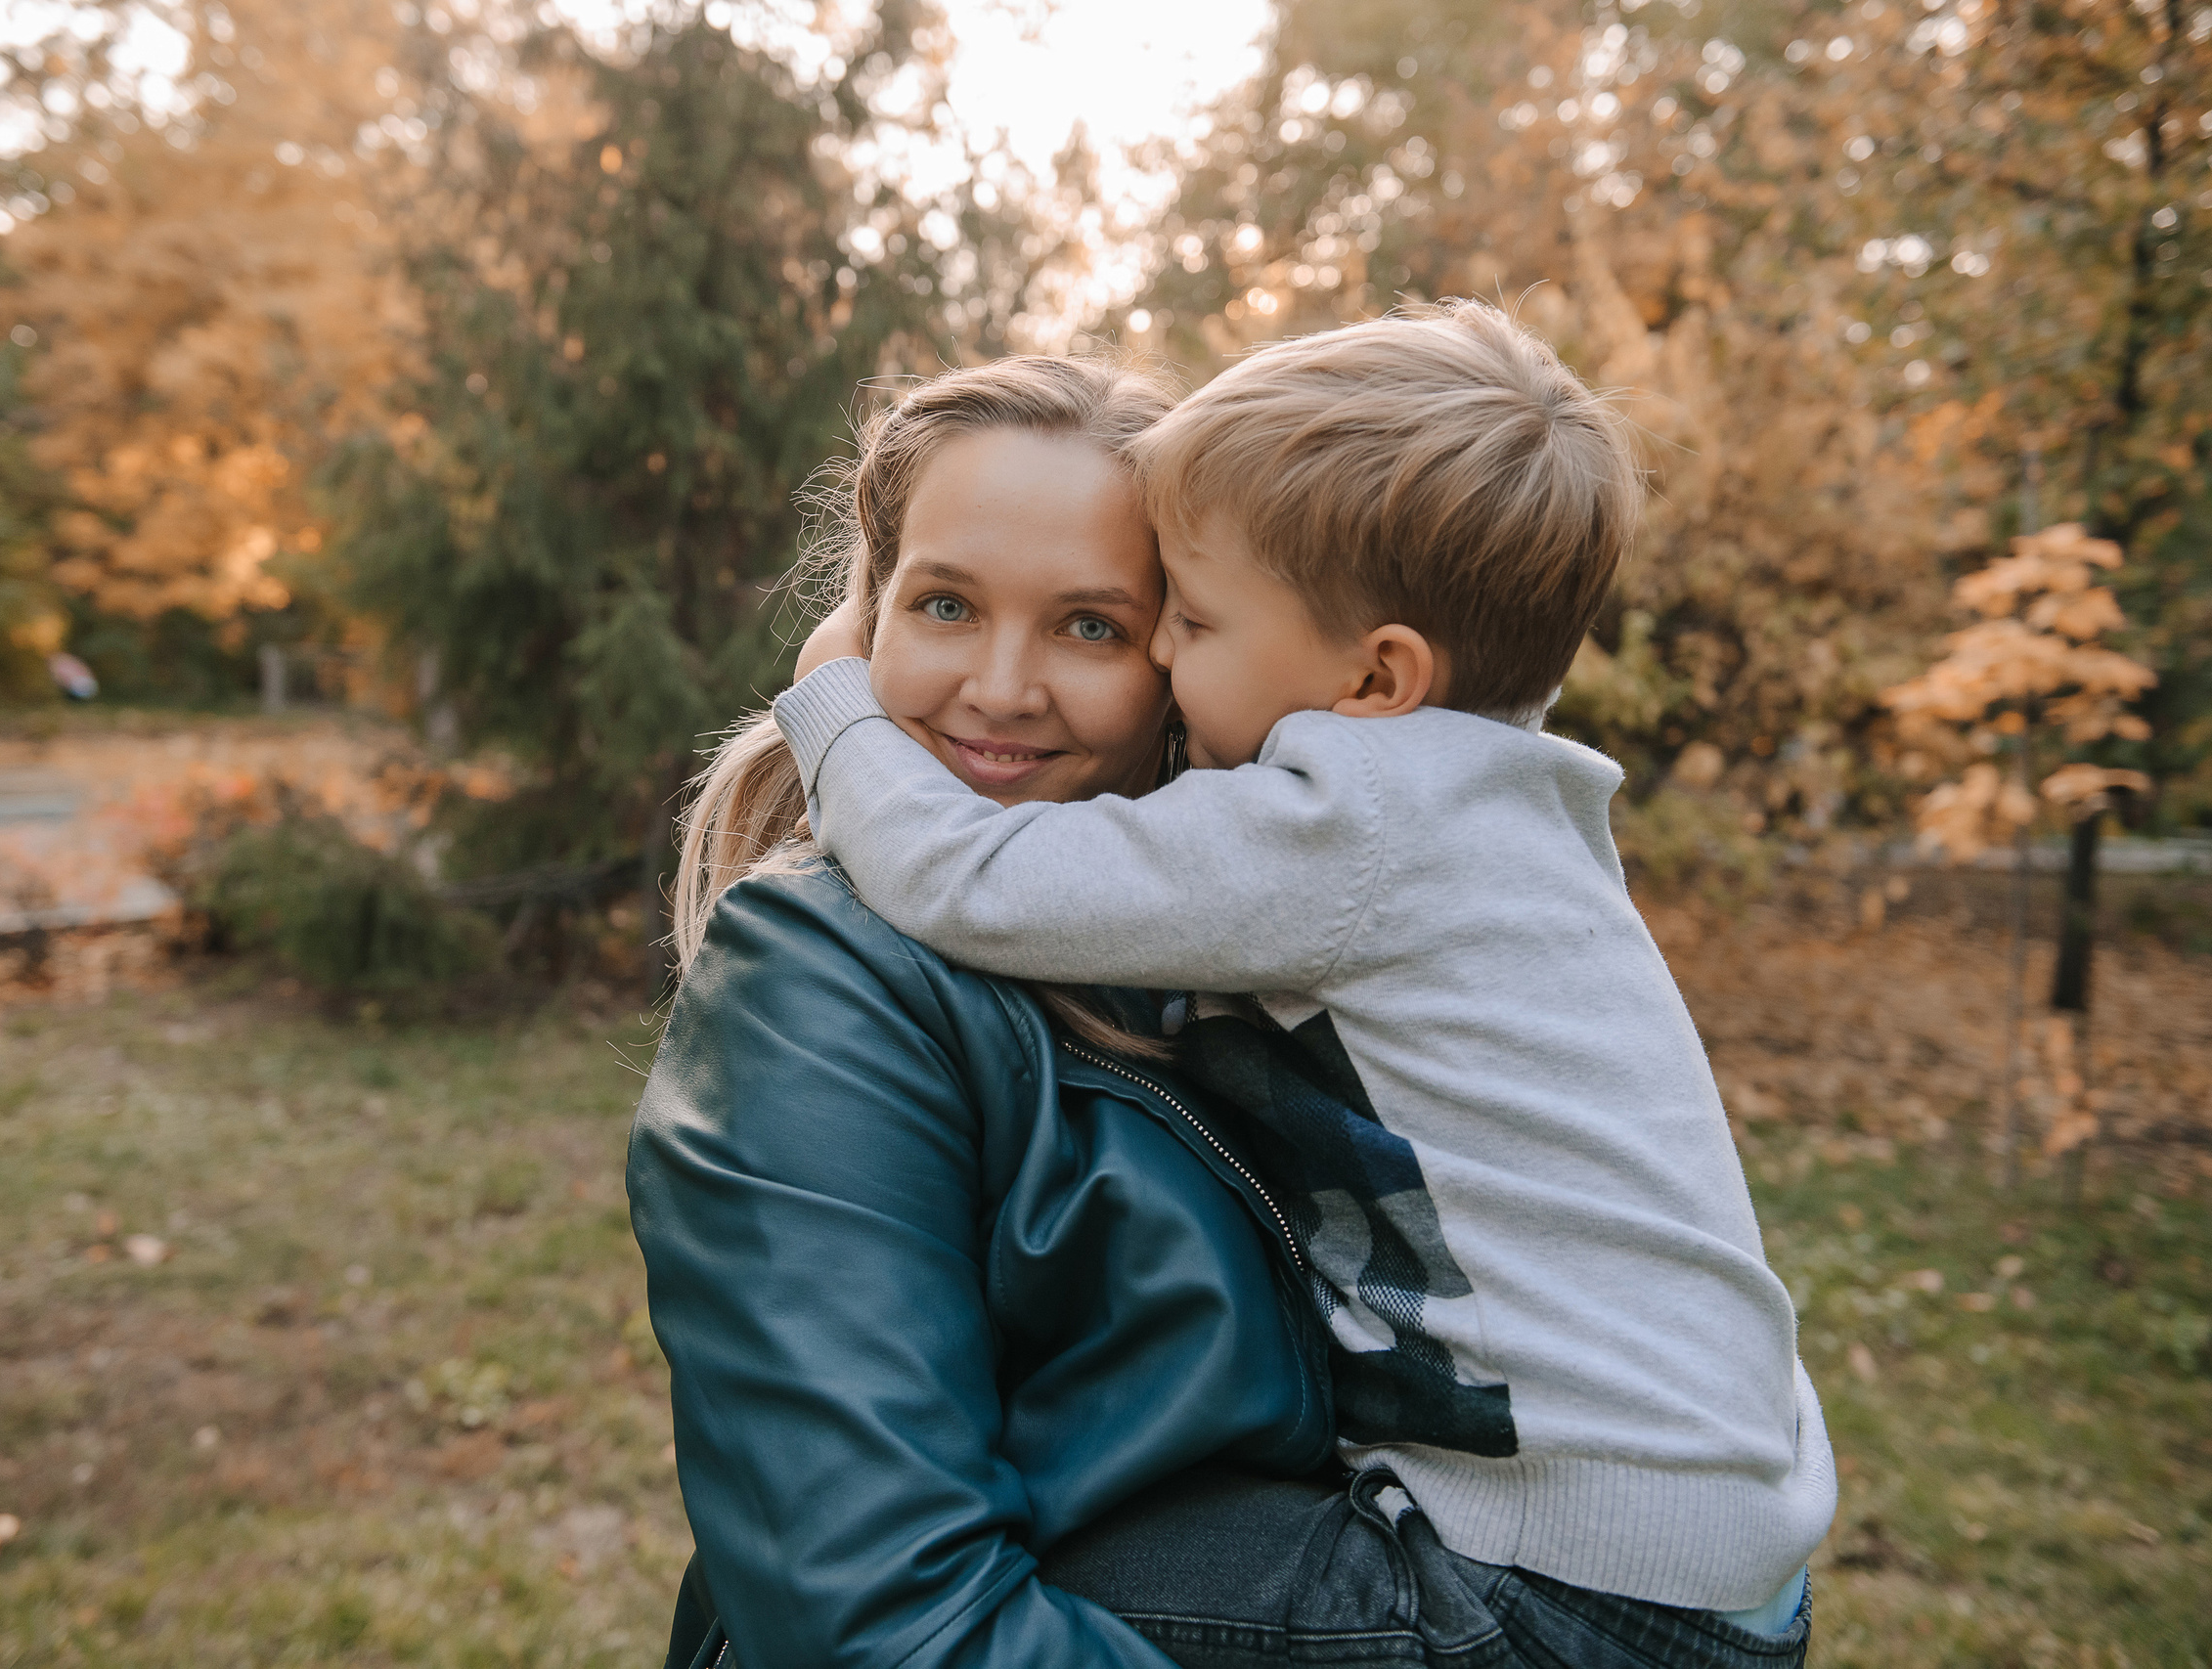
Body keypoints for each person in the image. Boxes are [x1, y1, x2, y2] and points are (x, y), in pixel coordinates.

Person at [772, 303, 1836, 1652]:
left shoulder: (1357, 817)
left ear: (1378, 676)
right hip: (1720, 1553)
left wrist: (835, 700)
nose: (1162, 656)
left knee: (969, 1570)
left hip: (1557, 1582)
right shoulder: (1495, 792)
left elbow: (965, 882)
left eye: (1194, 622)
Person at [626, 356, 1337, 1669]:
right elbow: (890, 1625)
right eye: (946, 605)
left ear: (1182, 651)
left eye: (1089, 626)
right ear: (864, 625)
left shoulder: (1251, 938)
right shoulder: (819, 982)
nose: (1002, 690)